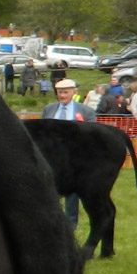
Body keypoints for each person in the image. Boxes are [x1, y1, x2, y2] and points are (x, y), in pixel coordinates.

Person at [41, 79, 87, 224]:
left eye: (65, 92)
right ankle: (51, 219)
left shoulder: (85, 111)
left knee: (72, 191)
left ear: (74, 92)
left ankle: (71, 222)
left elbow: (91, 136)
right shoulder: (49, 109)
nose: (62, 96)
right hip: (51, 158)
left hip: (73, 159)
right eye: (60, 92)